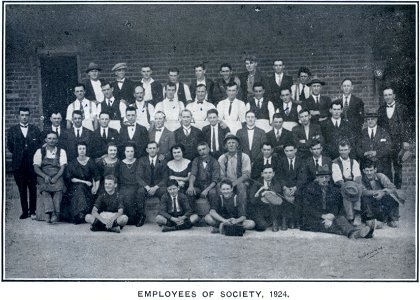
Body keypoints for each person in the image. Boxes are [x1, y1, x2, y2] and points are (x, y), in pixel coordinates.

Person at [301, 165, 375, 239]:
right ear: (317, 178)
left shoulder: (334, 190)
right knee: (332, 225)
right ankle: (357, 233)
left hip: (330, 217)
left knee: (340, 219)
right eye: (321, 177)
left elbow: (336, 207)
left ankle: (354, 233)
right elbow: (307, 208)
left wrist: (332, 216)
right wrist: (323, 216)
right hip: (314, 219)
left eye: (326, 177)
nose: (324, 180)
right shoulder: (309, 189)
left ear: (329, 178)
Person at [7, 107, 42, 219]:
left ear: (29, 116)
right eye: (22, 115)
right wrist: (19, 155)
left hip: (31, 164)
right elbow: (10, 146)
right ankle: (24, 211)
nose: (24, 117)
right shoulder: (12, 130)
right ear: (19, 116)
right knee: (22, 188)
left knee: (32, 188)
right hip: (19, 165)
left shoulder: (35, 129)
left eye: (26, 115)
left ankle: (32, 211)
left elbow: (38, 146)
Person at [377, 87, 411, 188]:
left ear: (394, 96)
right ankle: (389, 189)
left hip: (398, 141)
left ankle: (398, 188)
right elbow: (379, 127)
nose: (387, 97)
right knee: (386, 166)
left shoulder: (402, 108)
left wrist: (406, 140)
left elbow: (407, 125)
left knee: (398, 166)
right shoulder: (381, 109)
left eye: (389, 95)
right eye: (385, 95)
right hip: (386, 142)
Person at [33, 131, 67, 223]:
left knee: (59, 189)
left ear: (57, 140)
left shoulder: (61, 151)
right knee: (44, 189)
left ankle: (53, 213)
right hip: (43, 176)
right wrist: (44, 176)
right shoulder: (40, 151)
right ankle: (51, 213)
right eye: (49, 138)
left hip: (57, 175)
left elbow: (62, 167)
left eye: (54, 139)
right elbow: (36, 167)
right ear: (46, 140)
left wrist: (56, 177)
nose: (51, 140)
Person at [65, 141, 99, 224]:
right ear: (77, 150)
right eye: (80, 149)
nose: (82, 150)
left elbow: (96, 177)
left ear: (86, 150)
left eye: (83, 148)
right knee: (79, 188)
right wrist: (84, 182)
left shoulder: (91, 161)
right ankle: (79, 214)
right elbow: (71, 178)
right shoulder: (72, 163)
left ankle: (80, 214)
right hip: (75, 187)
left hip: (88, 187)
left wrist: (95, 188)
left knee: (81, 189)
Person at [360, 159, 400, 228]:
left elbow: (393, 188)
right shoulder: (361, 179)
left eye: (371, 170)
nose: (369, 173)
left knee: (391, 200)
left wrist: (383, 192)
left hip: (380, 197)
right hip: (369, 199)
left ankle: (391, 219)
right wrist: (376, 192)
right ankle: (370, 220)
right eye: (367, 171)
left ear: (375, 170)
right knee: (364, 200)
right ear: (363, 171)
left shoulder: (381, 176)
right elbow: (363, 192)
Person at [331, 139, 363, 225]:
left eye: (345, 150)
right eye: (341, 150)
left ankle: (357, 214)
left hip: (354, 185)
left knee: (358, 188)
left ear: (349, 150)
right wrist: (348, 185)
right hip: (341, 185)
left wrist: (353, 185)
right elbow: (338, 179)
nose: (343, 152)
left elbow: (357, 176)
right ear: (338, 151)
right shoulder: (335, 163)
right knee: (347, 191)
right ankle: (350, 217)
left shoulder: (354, 162)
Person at [218, 133, 251, 213]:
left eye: (233, 142)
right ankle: (222, 213)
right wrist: (228, 184)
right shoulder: (222, 158)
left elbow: (246, 175)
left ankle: (242, 214)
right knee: (218, 187)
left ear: (237, 144)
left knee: (241, 186)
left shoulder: (244, 156)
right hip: (226, 182)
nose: (231, 145)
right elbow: (221, 175)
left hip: (241, 182)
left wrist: (234, 183)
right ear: (226, 146)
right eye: (229, 143)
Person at [137, 141, 169, 225]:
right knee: (140, 192)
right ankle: (141, 216)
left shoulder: (162, 160)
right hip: (146, 186)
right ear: (147, 150)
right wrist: (147, 187)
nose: (152, 150)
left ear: (158, 149)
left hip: (158, 187)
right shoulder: (142, 160)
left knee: (164, 192)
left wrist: (155, 187)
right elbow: (138, 177)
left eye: (154, 148)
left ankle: (162, 216)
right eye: (150, 148)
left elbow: (165, 178)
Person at [356, 109, 392, 180]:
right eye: (368, 119)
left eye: (372, 119)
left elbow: (388, 147)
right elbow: (357, 147)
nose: (370, 121)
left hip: (381, 167)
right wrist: (364, 153)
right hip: (366, 167)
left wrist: (376, 153)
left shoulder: (384, 132)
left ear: (376, 119)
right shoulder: (362, 133)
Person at [278, 141, 306, 229]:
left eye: (291, 150)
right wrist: (285, 187)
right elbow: (280, 176)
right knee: (283, 197)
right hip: (285, 187)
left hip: (296, 186)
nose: (289, 153)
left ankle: (295, 220)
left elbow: (302, 177)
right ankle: (285, 220)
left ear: (295, 150)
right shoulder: (281, 161)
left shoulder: (301, 161)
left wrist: (295, 188)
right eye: (286, 151)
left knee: (298, 196)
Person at [187, 142, 220, 210]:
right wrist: (191, 186)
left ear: (208, 149)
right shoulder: (196, 160)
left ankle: (213, 212)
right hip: (199, 186)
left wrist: (206, 190)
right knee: (190, 192)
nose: (202, 152)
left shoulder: (214, 161)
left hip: (210, 187)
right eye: (200, 150)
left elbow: (215, 179)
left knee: (213, 193)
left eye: (204, 149)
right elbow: (193, 174)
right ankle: (192, 213)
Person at [249, 165, 283, 232]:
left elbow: (279, 196)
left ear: (273, 174)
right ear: (262, 174)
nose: (268, 175)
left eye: (270, 173)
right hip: (260, 210)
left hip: (272, 211)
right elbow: (252, 200)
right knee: (262, 227)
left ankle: (274, 221)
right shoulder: (256, 183)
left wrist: (270, 192)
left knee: (271, 197)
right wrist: (261, 193)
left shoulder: (276, 182)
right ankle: (265, 222)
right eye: (266, 173)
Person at [116, 143, 143, 226]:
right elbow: (118, 177)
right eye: (128, 151)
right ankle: (123, 217)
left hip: (135, 185)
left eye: (132, 151)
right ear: (124, 152)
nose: (130, 153)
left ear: (134, 152)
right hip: (123, 186)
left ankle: (134, 218)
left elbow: (140, 176)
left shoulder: (138, 162)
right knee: (121, 194)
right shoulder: (120, 163)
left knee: (129, 194)